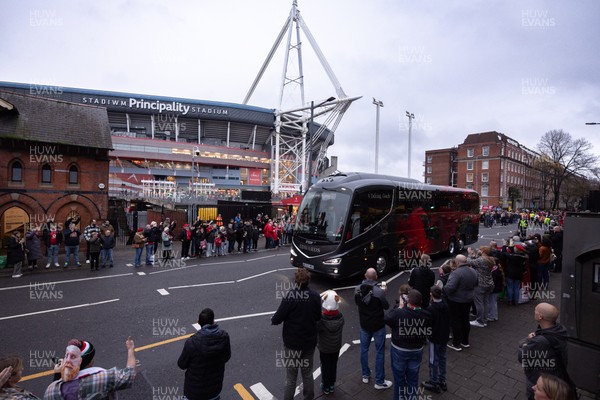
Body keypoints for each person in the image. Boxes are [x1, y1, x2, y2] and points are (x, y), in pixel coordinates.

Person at [271, 268, 321, 400]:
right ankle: (309, 397)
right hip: (309, 343)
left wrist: (273, 318)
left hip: (292, 344)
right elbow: (317, 317)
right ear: (308, 281)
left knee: (291, 378)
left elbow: (277, 319)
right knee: (308, 374)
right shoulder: (315, 296)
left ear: (296, 281)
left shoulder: (290, 297)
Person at [44, 337, 136, 400]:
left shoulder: (51, 390)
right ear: (90, 361)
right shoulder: (104, 378)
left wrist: (57, 376)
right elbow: (129, 375)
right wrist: (130, 349)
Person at [518, 303, 575, 400]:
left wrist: (526, 342)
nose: (534, 311)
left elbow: (522, 357)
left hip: (541, 380)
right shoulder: (559, 330)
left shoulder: (541, 341)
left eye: (536, 310)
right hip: (555, 375)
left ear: (540, 317)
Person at [384, 289, 431, 400]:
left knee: (399, 379)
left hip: (399, 350)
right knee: (413, 379)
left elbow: (387, 318)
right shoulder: (427, 315)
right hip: (417, 350)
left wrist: (400, 307)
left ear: (407, 301)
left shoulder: (399, 313)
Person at [178, 308, 231, 400]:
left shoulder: (192, 342)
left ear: (198, 322)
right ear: (213, 321)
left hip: (194, 392)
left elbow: (182, 364)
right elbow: (227, 357)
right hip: (214, 390)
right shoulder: (224, 337)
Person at [354, 268, 392, 390]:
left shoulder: (357, 289)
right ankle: (379, 381)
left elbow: (357, 303)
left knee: (364, 350)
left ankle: (365, 375)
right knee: (379, 352)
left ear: (365, 276)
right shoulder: (379, 292)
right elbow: (386, 306)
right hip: (378, 326)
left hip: (364, 324)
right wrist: (384, 293)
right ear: (376, 277)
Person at [443, 254, 478, 351]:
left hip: (456, 300)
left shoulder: (456, 273)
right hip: (468, 300)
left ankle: (456, 343)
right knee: (465, 320)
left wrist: (443, 289)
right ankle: (465, 341)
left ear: (457, 262)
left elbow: (450, 288)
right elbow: (476, 283)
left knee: (455, 321)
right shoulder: (473, 271)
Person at [422, 285, 450, 393]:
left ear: (431, 295)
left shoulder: (431, 308)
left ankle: (433, 382)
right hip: (444, 336)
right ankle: (442, 380)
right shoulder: (446, 305)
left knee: (433, 360)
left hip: (435, 338)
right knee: (443, 358)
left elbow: (428, 324)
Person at [317, 290, 344, 395]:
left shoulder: (321, 319)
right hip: (336, 347)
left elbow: (316, 328)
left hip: (324, 348)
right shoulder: (341, 317)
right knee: (333, 365)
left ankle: (325, 386)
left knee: (325, 366)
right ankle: (332, 385)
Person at [466, 246, 495, 328]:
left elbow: (469, 262)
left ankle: (480, 321)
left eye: (480, 249)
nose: (478, 250)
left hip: (480, 284)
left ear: (483, 251)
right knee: (486, 302)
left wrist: (469, 254)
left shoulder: (481, 260)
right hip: (489, 283)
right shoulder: (491, 259)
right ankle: (485, 320)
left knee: (479, 303)